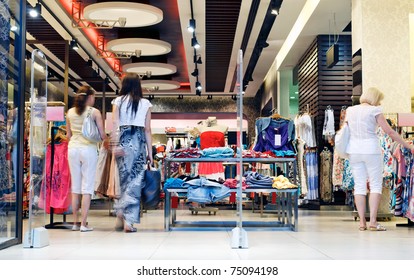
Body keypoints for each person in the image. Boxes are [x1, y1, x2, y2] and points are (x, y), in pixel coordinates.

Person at [345, 87, 414, 231]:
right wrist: (407, 145)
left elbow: (346, 131)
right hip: (371, 150)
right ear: (375, 99)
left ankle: (362, 222)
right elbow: (389, 132)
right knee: (375, 185)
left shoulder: (350, 111)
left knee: (359, 185)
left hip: (355, 151)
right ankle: (373, 222)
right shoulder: (374, 110)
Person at [111, 73, 153, 233]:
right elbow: (148, 129)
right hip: (139, 141)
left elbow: (115, 123)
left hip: (123, 139)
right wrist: (150, 152)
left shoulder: (118, 101)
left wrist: (115, 144)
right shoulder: (145, 103)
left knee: (123, 180)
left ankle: (120, 213)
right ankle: (128, 221)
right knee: (135, 182)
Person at [67, 85, 106, 232]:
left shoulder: (70, 112)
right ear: (89, 97)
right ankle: (84, 224)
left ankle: (75, 223)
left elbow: (69, 135)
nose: (94, 99)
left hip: (73, 149)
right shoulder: (94, 112)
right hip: (88, 149)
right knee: (87, 187)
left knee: (75, 187)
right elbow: (102, 135)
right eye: (94, 96)